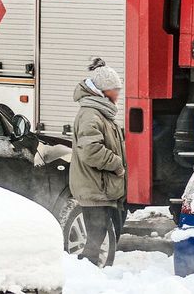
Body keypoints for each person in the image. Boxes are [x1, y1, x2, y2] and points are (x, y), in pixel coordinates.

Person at [70, 57, 126, 267]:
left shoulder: (100, 113)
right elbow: (91, 151)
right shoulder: (91, 115)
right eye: (115, 90)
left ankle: (90, 273)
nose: (118, 94)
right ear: (102, 91)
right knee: (94, 241)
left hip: (100, 188)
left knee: (98, 238)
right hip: (94, 188)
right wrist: (117, 164)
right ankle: (85, 275)